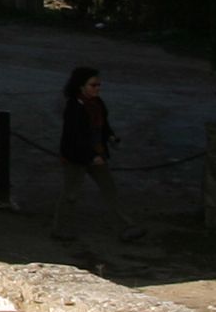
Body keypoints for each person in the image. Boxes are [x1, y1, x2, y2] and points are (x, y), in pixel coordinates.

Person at [52, 65, 146, 241]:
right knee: (70, 194)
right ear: (81, 86)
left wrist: (110, 137)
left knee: (110, 190)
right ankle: (60, 229)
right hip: (76, 157)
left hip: (97, 153)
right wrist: (90, 156)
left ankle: (126, 226)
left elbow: (103, 126)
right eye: (93, 85)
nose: (97, 88)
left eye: (98, 85)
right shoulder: (74, 107)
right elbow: (74, 137)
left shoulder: (97, 103)